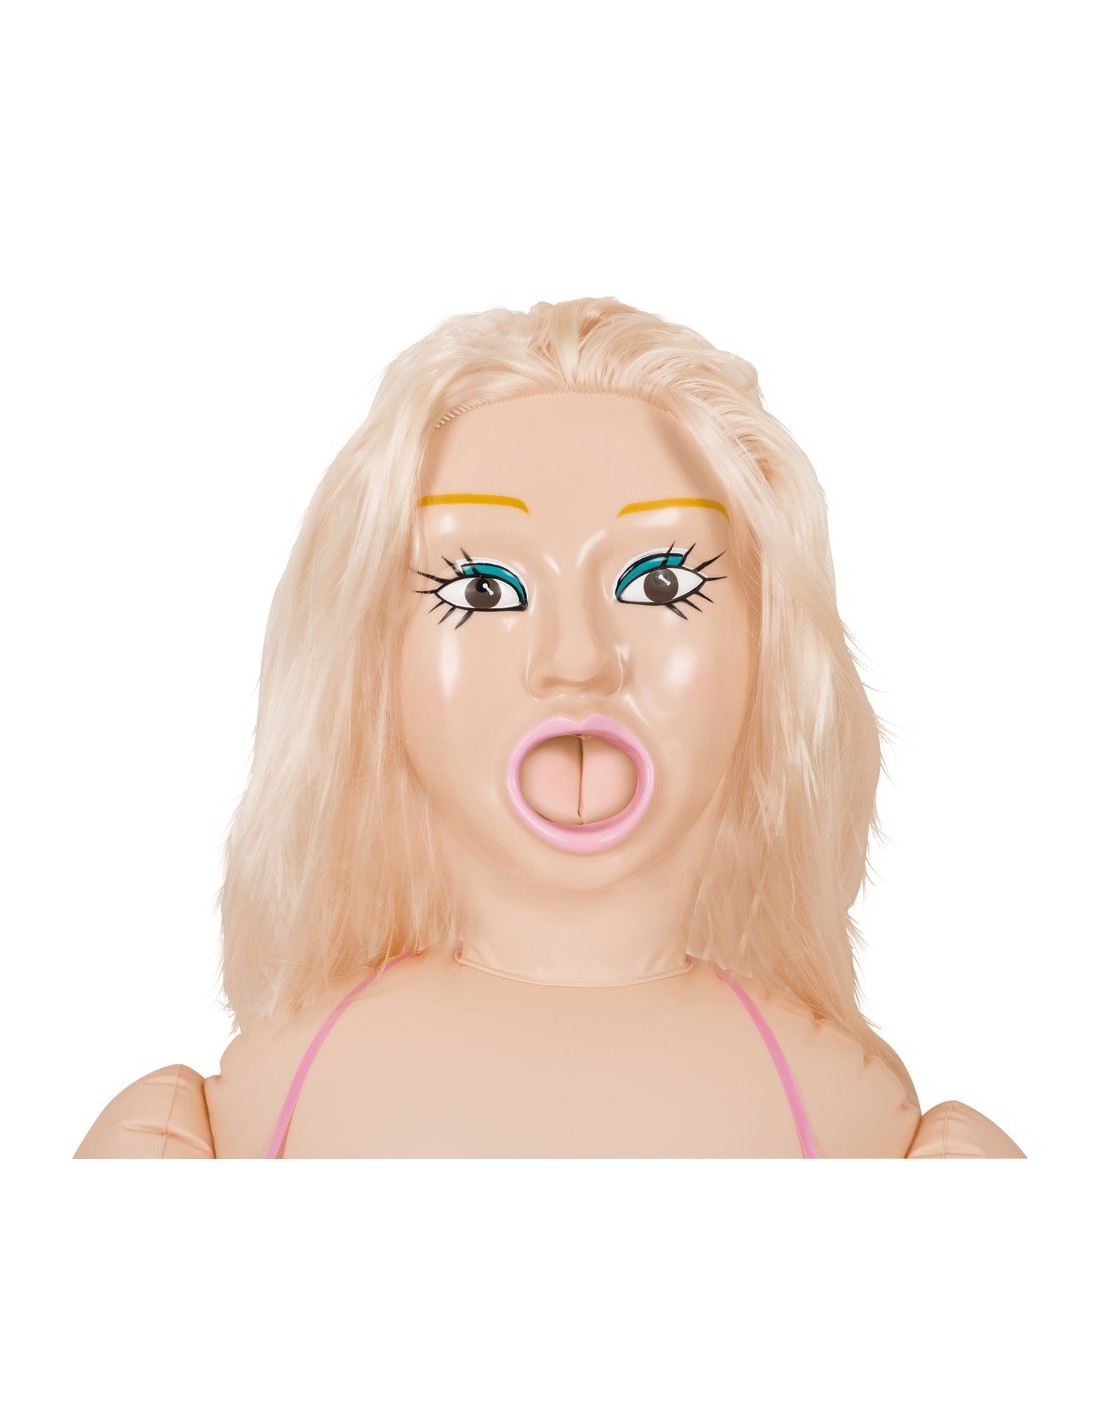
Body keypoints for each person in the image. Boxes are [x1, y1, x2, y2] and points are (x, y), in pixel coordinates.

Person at [75, 297, 1024, 1158]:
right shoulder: (222, 1123)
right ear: (375, 657)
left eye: (661, 583)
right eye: (482, 590)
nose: (576, 659)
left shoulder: (869, 1129)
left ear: (767, 642)